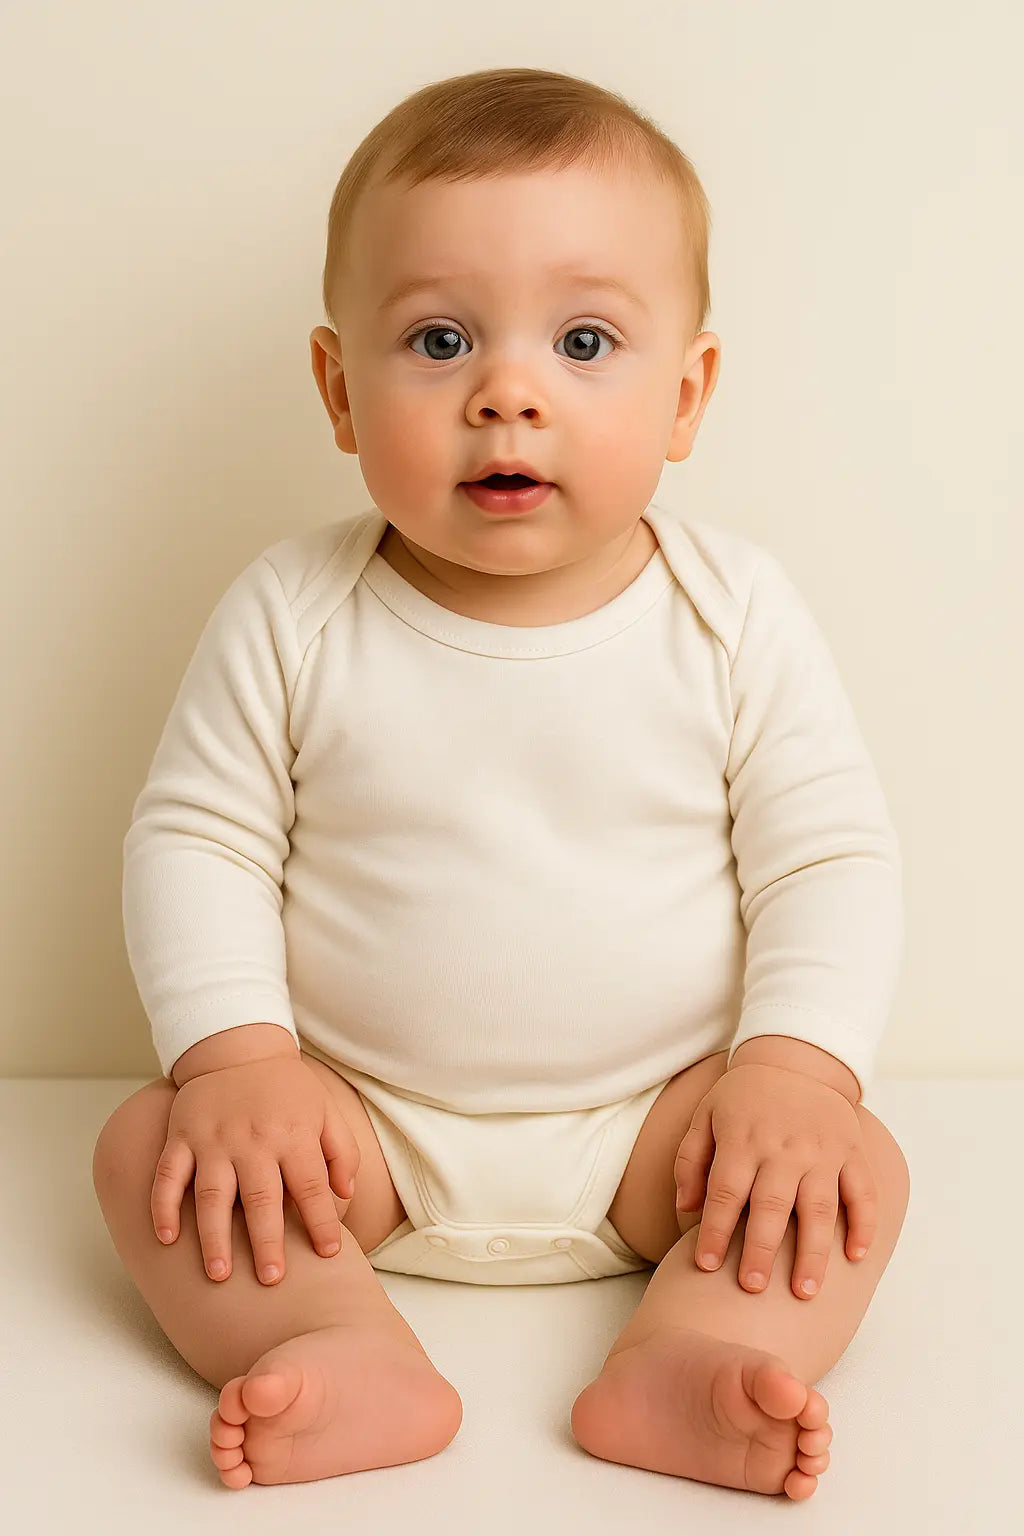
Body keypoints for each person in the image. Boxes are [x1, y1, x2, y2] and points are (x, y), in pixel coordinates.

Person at [92, 66, 910, 1501]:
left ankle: (694, 1350)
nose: (508, 394)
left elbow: (826, 856)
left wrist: (793, 1072)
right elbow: (198, 839)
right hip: (349, 1135)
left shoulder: (733, 617)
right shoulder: (294, 612)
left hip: (665, 1136)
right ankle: (330, 1337)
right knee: (144, 1151)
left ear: (685, 395)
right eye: (440, 339)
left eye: (585, 341)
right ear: (340, 392)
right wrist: (241, 1063)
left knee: (857, 1171)